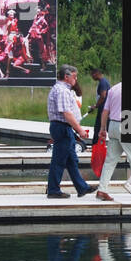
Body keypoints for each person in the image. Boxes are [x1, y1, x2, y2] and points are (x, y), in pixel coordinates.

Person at [46, 65, 96, 198]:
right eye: (74, 76)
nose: (76, 79)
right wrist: (79, 130)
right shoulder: (62, 91)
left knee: (71, 159)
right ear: (66, 77)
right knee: (59, 160)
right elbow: (67, 114)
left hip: (63, 127)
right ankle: (53, 190)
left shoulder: (62, 89)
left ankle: (82, 187)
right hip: (62, 127)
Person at [88, 67, 111, 150]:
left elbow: (103, 95)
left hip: (103, 110)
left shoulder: (103, 83)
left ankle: (95, 147)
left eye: (92, 75)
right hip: (103, 109)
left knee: (99, 128)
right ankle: (96, 146)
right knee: (101, 128)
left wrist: (96, 106)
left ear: (96, 74)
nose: (92, 77)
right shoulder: (103, 82)